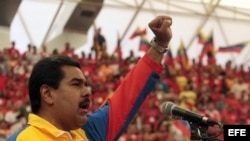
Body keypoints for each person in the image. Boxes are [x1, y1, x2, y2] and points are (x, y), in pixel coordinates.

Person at [7, 15, 172, 141]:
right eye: (76, 84)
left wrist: (159, 45)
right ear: (48, 94)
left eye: (85, 84)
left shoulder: (88, 131)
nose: (87, 91)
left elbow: (128, 96)